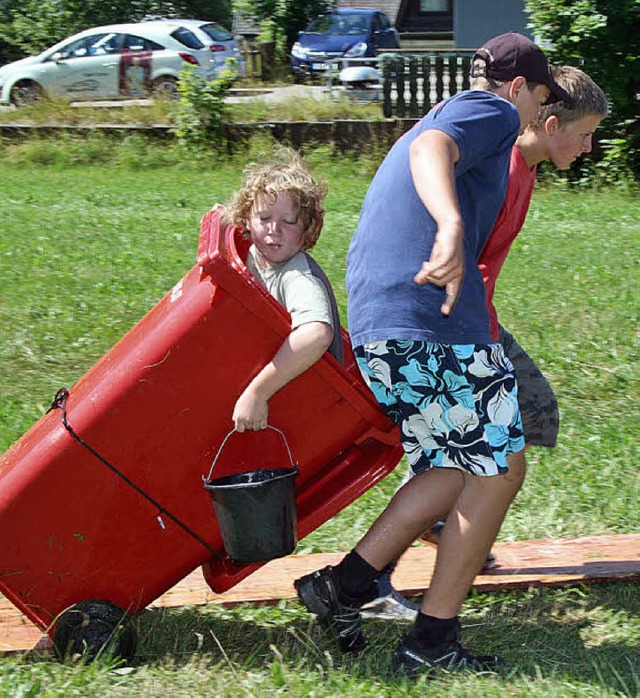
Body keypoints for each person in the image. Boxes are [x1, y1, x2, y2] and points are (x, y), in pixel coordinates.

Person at [294, 32, 573, 678]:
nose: (535, 113)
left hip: (383, 322)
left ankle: (347, 583)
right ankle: (432, 640)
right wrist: (450, 226)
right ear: (517, 89)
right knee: (502, 466)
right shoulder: (493, 113)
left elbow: (427, 147)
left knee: (454, 465)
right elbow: (431, 150)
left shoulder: (451, 113)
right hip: (429, 318)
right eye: (539, 98)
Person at [361, 64, 610, 621]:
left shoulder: (525, 169)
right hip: (452, 325)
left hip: (473, 321)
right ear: (549, 123)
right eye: (586, 132)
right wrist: (480, 344)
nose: (591, 146)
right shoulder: (505, 165)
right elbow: (466, 254)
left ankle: (434, 517)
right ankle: (424, 530)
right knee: (494, 448)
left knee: (530, 414)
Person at [222, 149, 343, 433]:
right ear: (246, 221)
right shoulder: (252, 254)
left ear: (307, 230)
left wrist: (258, 393)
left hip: (308, 407)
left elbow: (317, 334)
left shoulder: (296, 277)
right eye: (264, 218)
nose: (274, 230)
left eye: (288, 222)